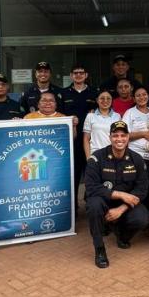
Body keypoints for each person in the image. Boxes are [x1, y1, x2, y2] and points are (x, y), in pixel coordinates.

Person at [84, 120, 149, 268]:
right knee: (93, 205)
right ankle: (99, 249)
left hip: (125, 205)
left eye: (123, 135)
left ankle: (122, 236)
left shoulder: (136, 159)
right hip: (104, 201)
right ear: (110, 137)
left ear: (128, 137)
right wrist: (120, 194)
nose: (119, 139)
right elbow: (91, 187)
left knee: (142, 218)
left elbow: (142, 189)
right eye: (115, 135)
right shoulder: (97, 158)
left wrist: (122, 208)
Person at [60, 64, 98, 200]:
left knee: (91, 173)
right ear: (71, 76)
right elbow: (59, 115)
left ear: (86, 75)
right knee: (73, 175)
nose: (78, 75)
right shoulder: (64, 93)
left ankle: (90, 204)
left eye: (81, 73)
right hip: (72, 142)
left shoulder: (95, 93)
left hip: (90, 141)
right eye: (75, 73)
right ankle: (73, 207)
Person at [124, 85, 149, 179]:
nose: (142, 97)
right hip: (138, 157)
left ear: (148, 96)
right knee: (142, 186)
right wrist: (143, 134)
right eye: (138, 95)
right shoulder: (130, 113)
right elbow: (124, 135)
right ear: (133, 99)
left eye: (144, 94)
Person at [83, 88, 121, 158]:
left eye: (108, 98)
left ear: (112, 100)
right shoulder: (90, 116)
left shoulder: (117, 116)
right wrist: (88, 158)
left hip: (113, 154)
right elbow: (86, 139)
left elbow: (119, 137)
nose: (105, 101)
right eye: (102, 98)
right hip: (95, 154)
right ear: (97, 100)